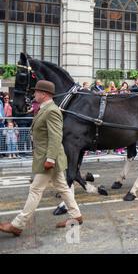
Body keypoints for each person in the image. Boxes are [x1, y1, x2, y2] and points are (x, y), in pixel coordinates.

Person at [0, 80, 82, 237]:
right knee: (63, 188)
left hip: (49, 159)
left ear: (44, 94)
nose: (34, 94)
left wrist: (50, 159)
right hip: (49, 157)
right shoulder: (45, 109)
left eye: (36, 92)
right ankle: (76, 216)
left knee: (35, 190)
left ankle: (18, 224)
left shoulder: (51, 110)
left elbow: (56, 136)